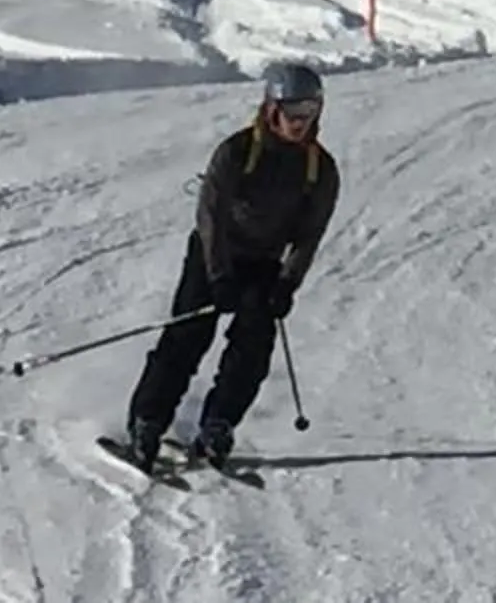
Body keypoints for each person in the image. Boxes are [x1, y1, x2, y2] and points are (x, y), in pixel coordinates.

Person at [124, 61, 344, 469]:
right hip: (216, 254)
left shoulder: (321, 169)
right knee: (187, 336)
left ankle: (218, 424)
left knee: (253, 347)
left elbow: (309, 235)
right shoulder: (237, 151)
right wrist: (219, 274)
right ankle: (147, 421)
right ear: (271, 108)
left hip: (264, 262)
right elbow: (210, 216)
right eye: (293, 111)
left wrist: (287, 284)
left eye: (310, 110)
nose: (300, 121)